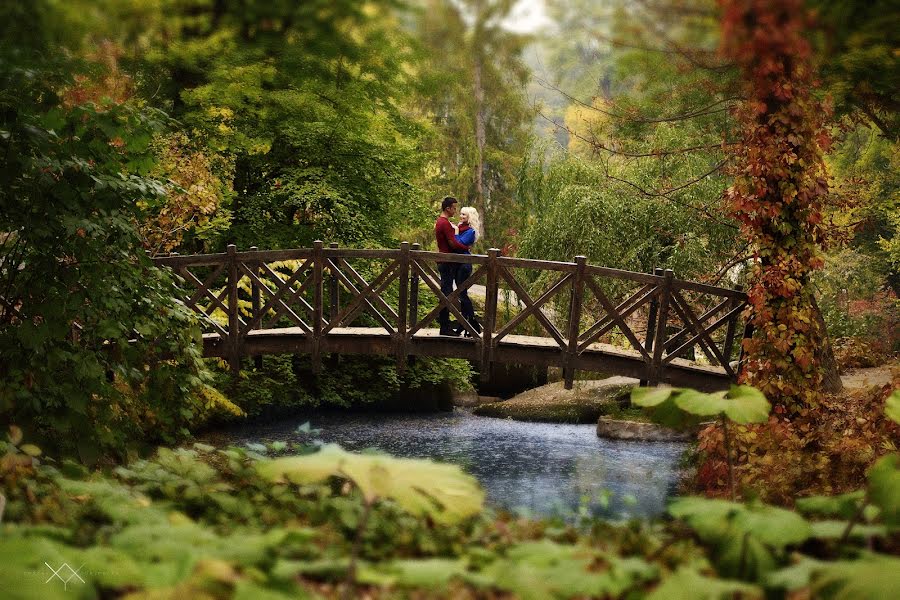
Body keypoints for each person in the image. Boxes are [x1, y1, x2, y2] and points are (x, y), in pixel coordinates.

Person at [434, 196, 470, 336]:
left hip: (445, 261)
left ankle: (445, 326)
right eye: (454, 208)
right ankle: (445, 327)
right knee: (446, 294)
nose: (455, 211)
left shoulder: (442, 222)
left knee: (446, 293)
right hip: (447, 262)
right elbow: (452, 243)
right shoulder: (444, 223)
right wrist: (466, 247)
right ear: (448, 208)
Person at [452, 207, 482, 335]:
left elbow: (459, 244)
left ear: (469, 217)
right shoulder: (462, 228)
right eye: (461, 213)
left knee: (462, 293)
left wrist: (456, 231)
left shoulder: (470, 231)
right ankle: (465, 324)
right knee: (461, 293)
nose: (461, 216)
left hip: (464, 265)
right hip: (458, 264)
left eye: (464, 214)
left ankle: (472, 323)